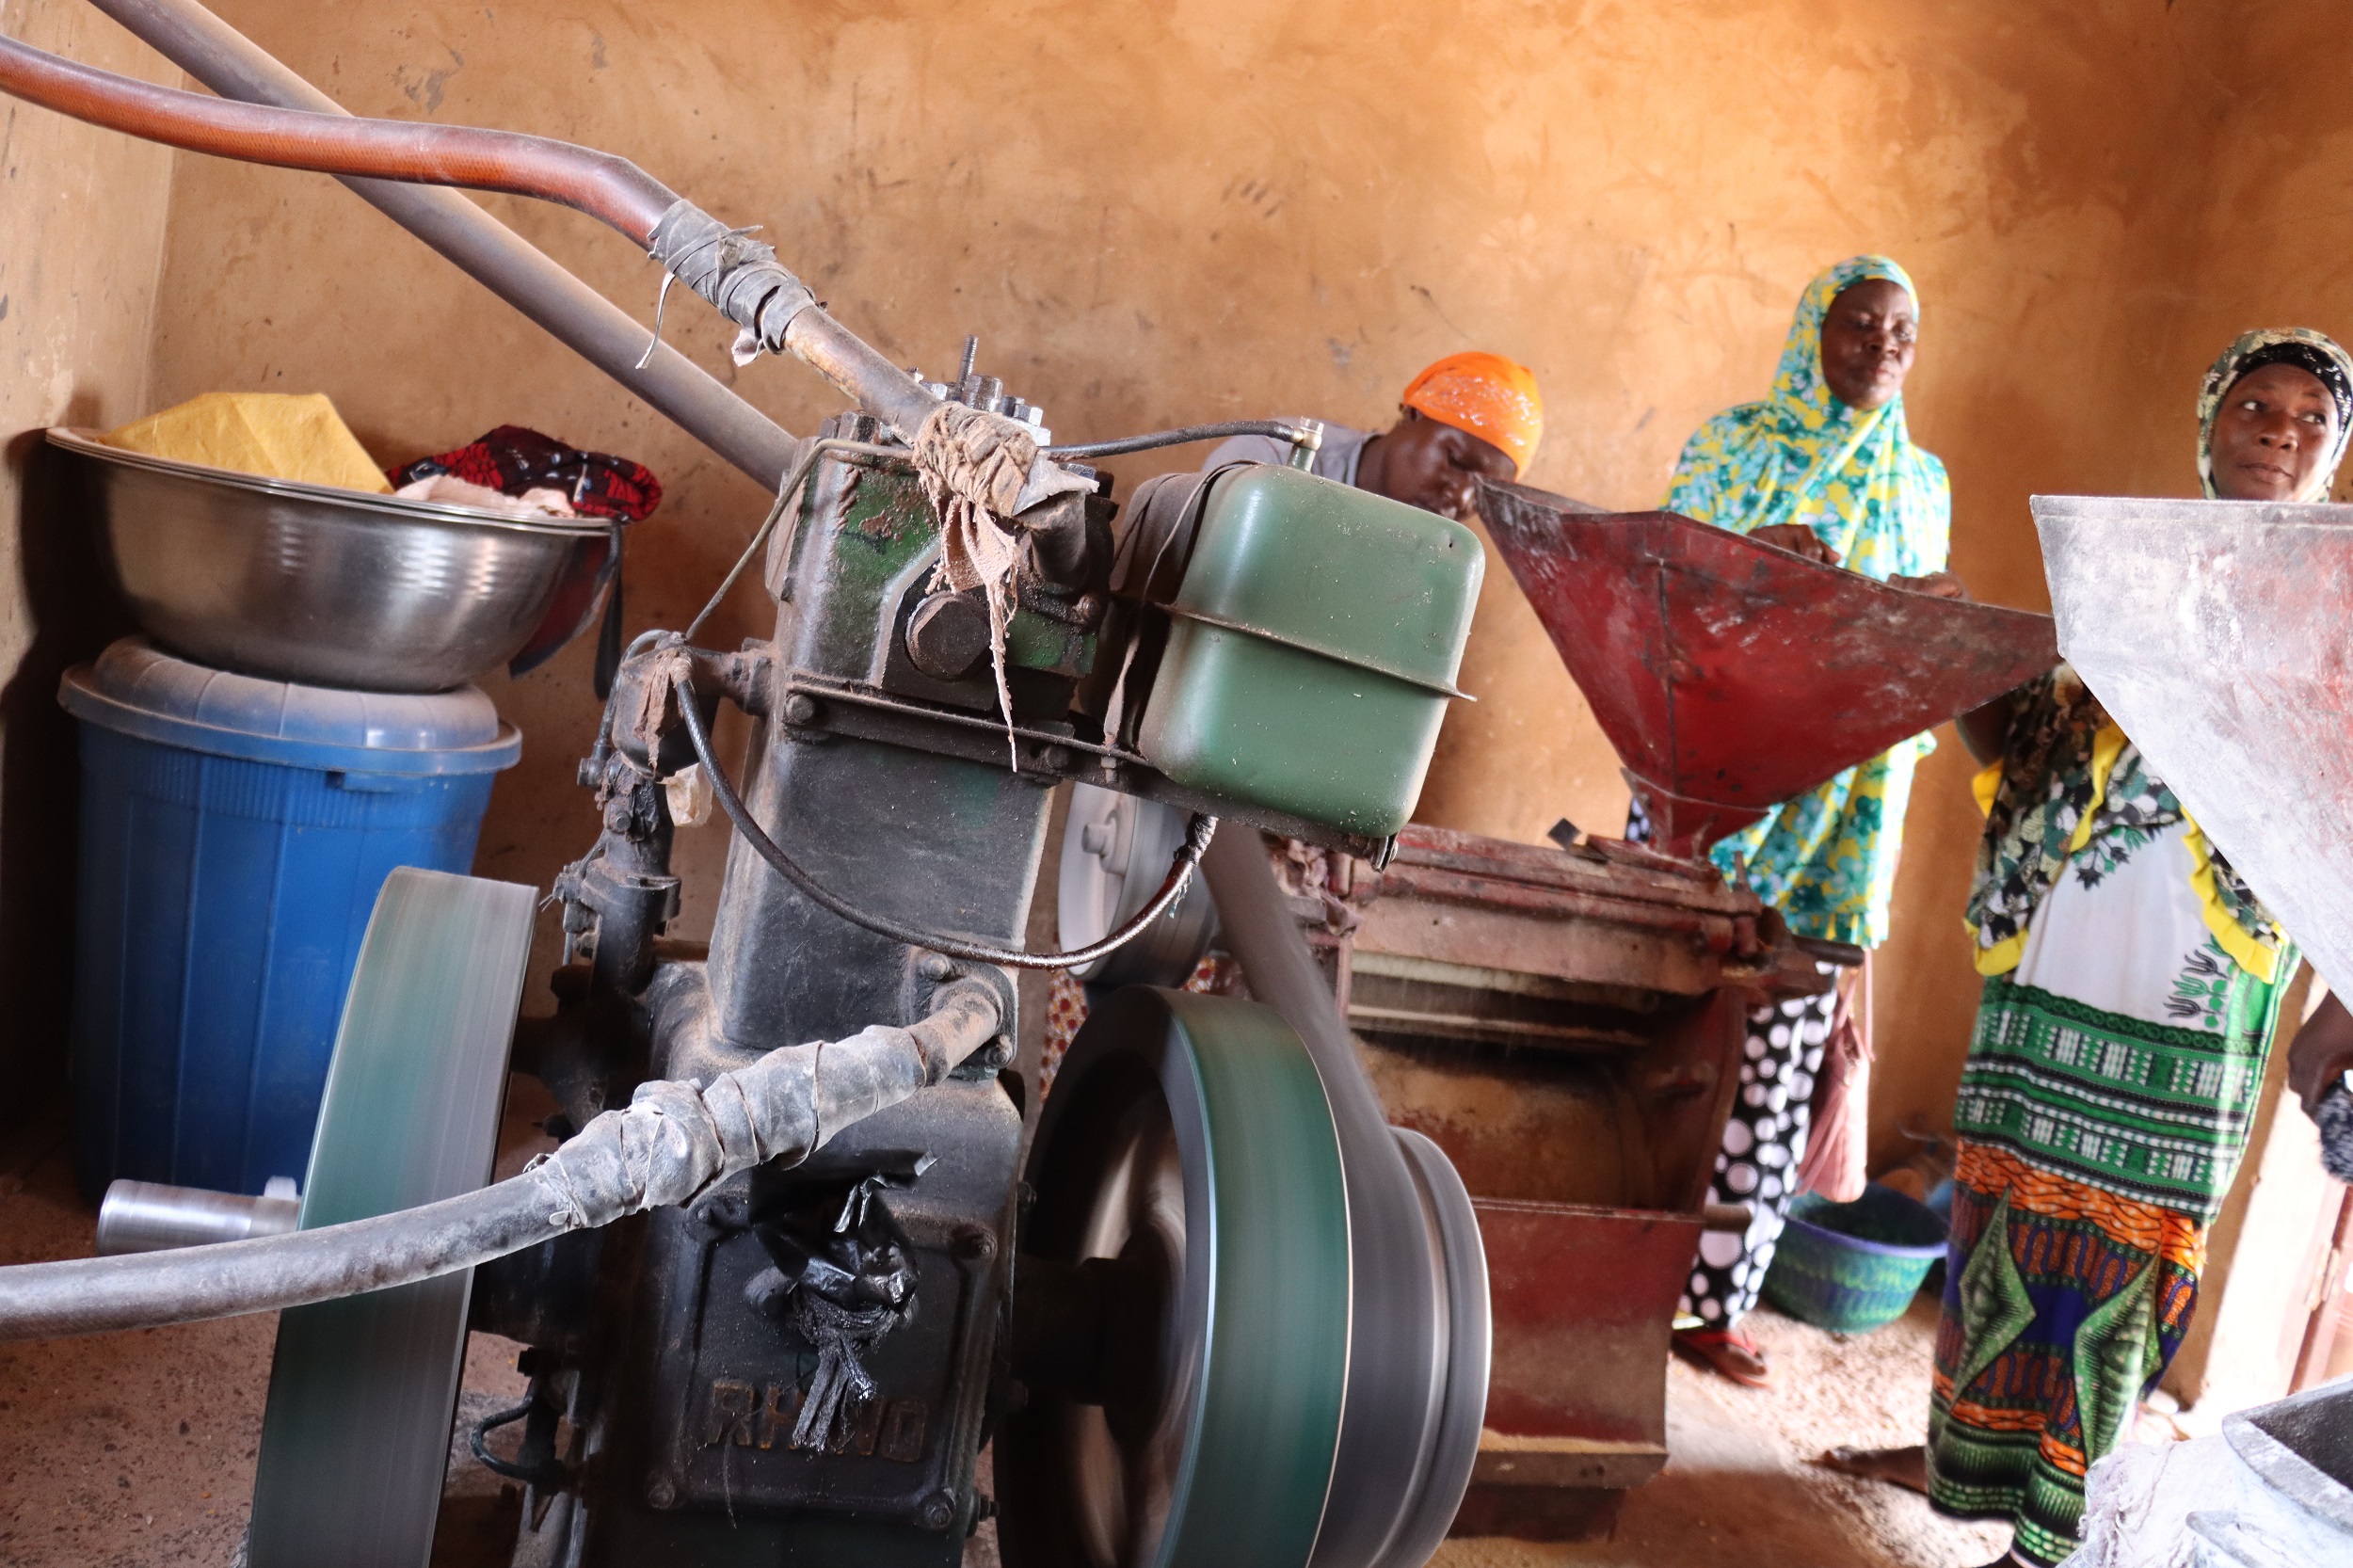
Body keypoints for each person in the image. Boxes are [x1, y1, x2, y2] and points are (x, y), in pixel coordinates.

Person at [1825, 326, 2353, 1568]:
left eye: (2310, 419)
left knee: (2128, 1248)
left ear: (2335, 455)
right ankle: (1968, 1462)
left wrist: (2341, 1000)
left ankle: (2055, 1538)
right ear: (2209, 424)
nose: (2278, 432)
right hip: (2051, 950)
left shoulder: (2333, 610)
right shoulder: (2130, 573)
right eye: (2256, 406)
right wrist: (1962, 658)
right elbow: (2028, 748)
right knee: (2004, 1207)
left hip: (2194, 987)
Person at [1650, 255, 1961, 1389]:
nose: (1881, 347)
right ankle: (1615, 1263)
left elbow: (1915, 635)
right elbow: (1663, 587)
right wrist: (1755, 559)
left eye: (1902, 331)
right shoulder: (1734, 447)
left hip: (1848, 814)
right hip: (1720, 783)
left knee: (1779, 1065)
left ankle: (1712, 1302)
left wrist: (1928, 608)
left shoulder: (1920, 480)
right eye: (1859, 324)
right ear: (1811, 333)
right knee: (1664, 1027)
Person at [1200, 349, 1545, 518]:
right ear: (1413, 414)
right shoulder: (1270, 461)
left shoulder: (1439, 559)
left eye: (1486, 491)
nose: (1461, 497)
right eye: (1454, 460)